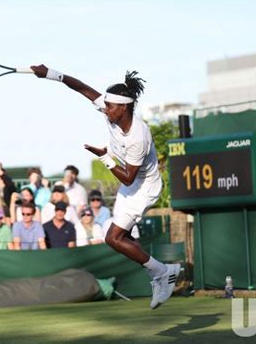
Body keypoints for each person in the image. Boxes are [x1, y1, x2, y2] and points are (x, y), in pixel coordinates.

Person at [31, 65, 180, 309]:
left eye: (110, 106)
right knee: (124, 237)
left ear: (124, 107)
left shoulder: (138, 137)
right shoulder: (113, 111)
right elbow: (82, 88)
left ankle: (161, 272)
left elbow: (128, 178)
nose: (105, 109)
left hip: (144, 188)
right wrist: (51, 74)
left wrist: (104, 157)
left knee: (112, 238)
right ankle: (161, 272)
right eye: (106, 105)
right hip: (132, 185)